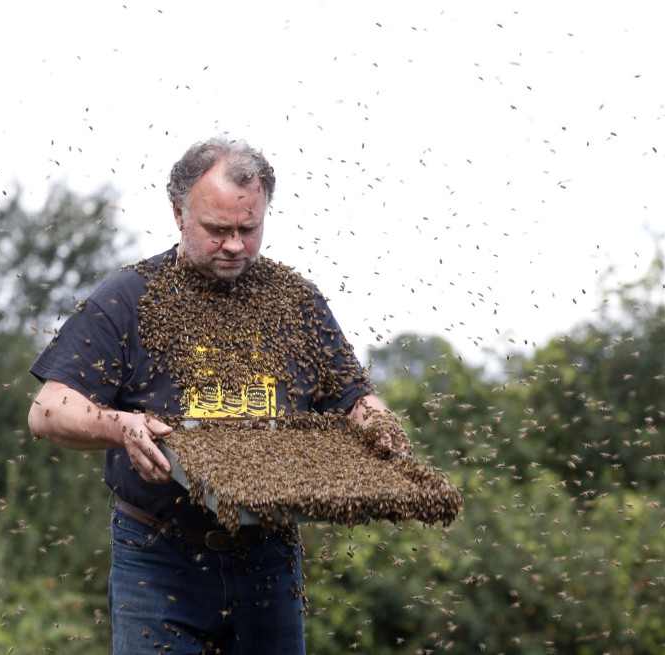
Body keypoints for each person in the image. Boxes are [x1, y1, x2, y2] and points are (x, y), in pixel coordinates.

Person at [27, 136, 410, 654]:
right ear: (178, 212)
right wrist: (122, 426)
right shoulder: (128, 297)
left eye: (248, 230)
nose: (234, 245)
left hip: (269, 558)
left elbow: (354, 398)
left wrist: (381, 426)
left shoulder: (296, 302)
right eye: (217, 229)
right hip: (159, 558)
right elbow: (49, 409)